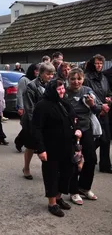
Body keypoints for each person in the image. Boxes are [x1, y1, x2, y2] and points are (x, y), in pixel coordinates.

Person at [33, 79, 81, 217]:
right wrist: (41, 149)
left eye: (63, 88)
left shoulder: (64, 102)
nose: (62, 91)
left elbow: (74, 119)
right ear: (52, 90)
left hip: (67, 145)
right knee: (52, 175)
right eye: (59, 89)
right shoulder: (42, 105)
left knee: (67, 172)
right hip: (51, 147)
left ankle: (59, 197)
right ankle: (52, 203)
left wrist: (77, 129)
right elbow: (36, 129)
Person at [66, 68, 100, 204]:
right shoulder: (64, 92)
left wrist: (92, 105)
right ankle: (73, 191)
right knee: (74, 160)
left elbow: (97, 108)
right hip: (70, 130)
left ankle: (84, 187)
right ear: (68, 80)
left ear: (83, 79)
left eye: (78, 79)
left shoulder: (87, 91)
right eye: (73, 79)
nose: (76, 82)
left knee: (91, 158)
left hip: (86, 129)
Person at [22, 62, 55, 179]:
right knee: (31, 145)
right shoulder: (31, 86)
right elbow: (29, 108)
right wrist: (35, 124)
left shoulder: (52, 85)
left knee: (47, 146)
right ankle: (26, 168)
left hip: (48, 121)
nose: (51, 76)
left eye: (52, 74)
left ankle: (48, 170)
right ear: (41, 73)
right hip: (32, 121)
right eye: (48, 74)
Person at [84, 54, 112, 173]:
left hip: (104, 112)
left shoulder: (103, 78)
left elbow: (108, 92)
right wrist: (99, 107)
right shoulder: (86, 78)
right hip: (93, 112)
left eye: (101, 63)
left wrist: (109, 99)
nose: (99, 65)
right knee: (96, 139)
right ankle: (82, 156)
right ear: (92, 64)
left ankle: (105, 166)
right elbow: (86, 95)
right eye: (97, 63)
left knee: (105, 139)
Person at [14, 63, 39, 152]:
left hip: (35, 106)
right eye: (36, 70)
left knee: (32, 127)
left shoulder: (37, 81)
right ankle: (19, 141)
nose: (38, 72)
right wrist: (20, 107)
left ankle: (34, 145)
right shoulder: (24, 80)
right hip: (26, 106)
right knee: (27, 127)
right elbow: (19, 94)